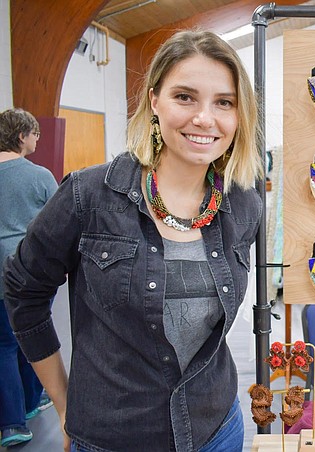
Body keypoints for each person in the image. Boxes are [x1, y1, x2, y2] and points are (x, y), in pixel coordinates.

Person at [3, 30, 263, 452]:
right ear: (155, 100)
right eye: (184, 97)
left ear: (239, 116)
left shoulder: (243, 205)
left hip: (216, 428)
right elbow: (23, 289)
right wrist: (64, 402)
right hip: (114, 436)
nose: (204, 118)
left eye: (224, 102)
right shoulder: (87, 197)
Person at [0, 108, 57, 447]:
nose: (37, 139)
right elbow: (57, 223)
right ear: (22, 136)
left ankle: (11, 423)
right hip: (27, 272)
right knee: (31, 330)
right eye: (34, 133)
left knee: (3, 344)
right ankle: (32, 401)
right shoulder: (39, 176)